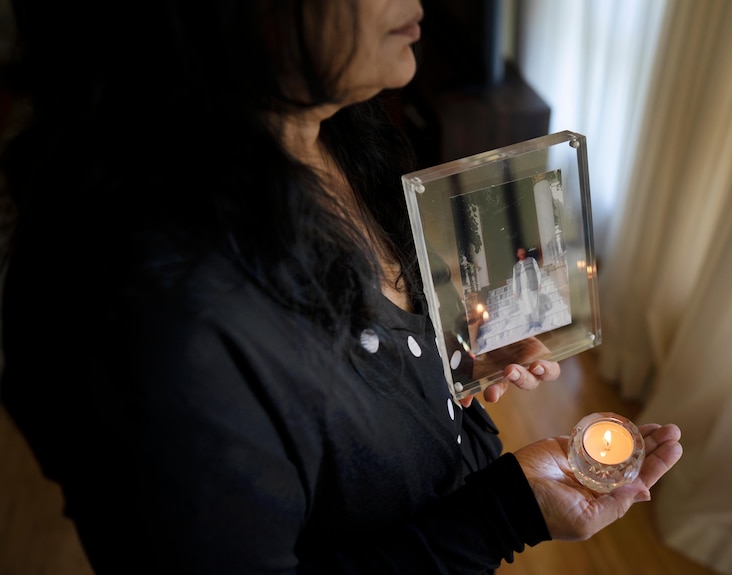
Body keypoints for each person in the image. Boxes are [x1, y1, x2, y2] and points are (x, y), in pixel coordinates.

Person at [0, 1, 683, 573]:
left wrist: (443, 354)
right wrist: (505, 511)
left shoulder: (331, 134)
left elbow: (329, 383)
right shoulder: (157, 321)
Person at [512, 247, 542, 331]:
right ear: (517, 254)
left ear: (524, 252)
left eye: (522, 250)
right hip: (522, 291)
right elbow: (514, 279)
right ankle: (528, 324)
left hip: (532, 287)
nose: (521, 252)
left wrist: (539, 283)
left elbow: (537, 272)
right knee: (524, 307)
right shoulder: (515, 266)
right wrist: (515, 292)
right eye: (519, 251)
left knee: (534, 305)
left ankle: (536, 322)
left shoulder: (532, 260)